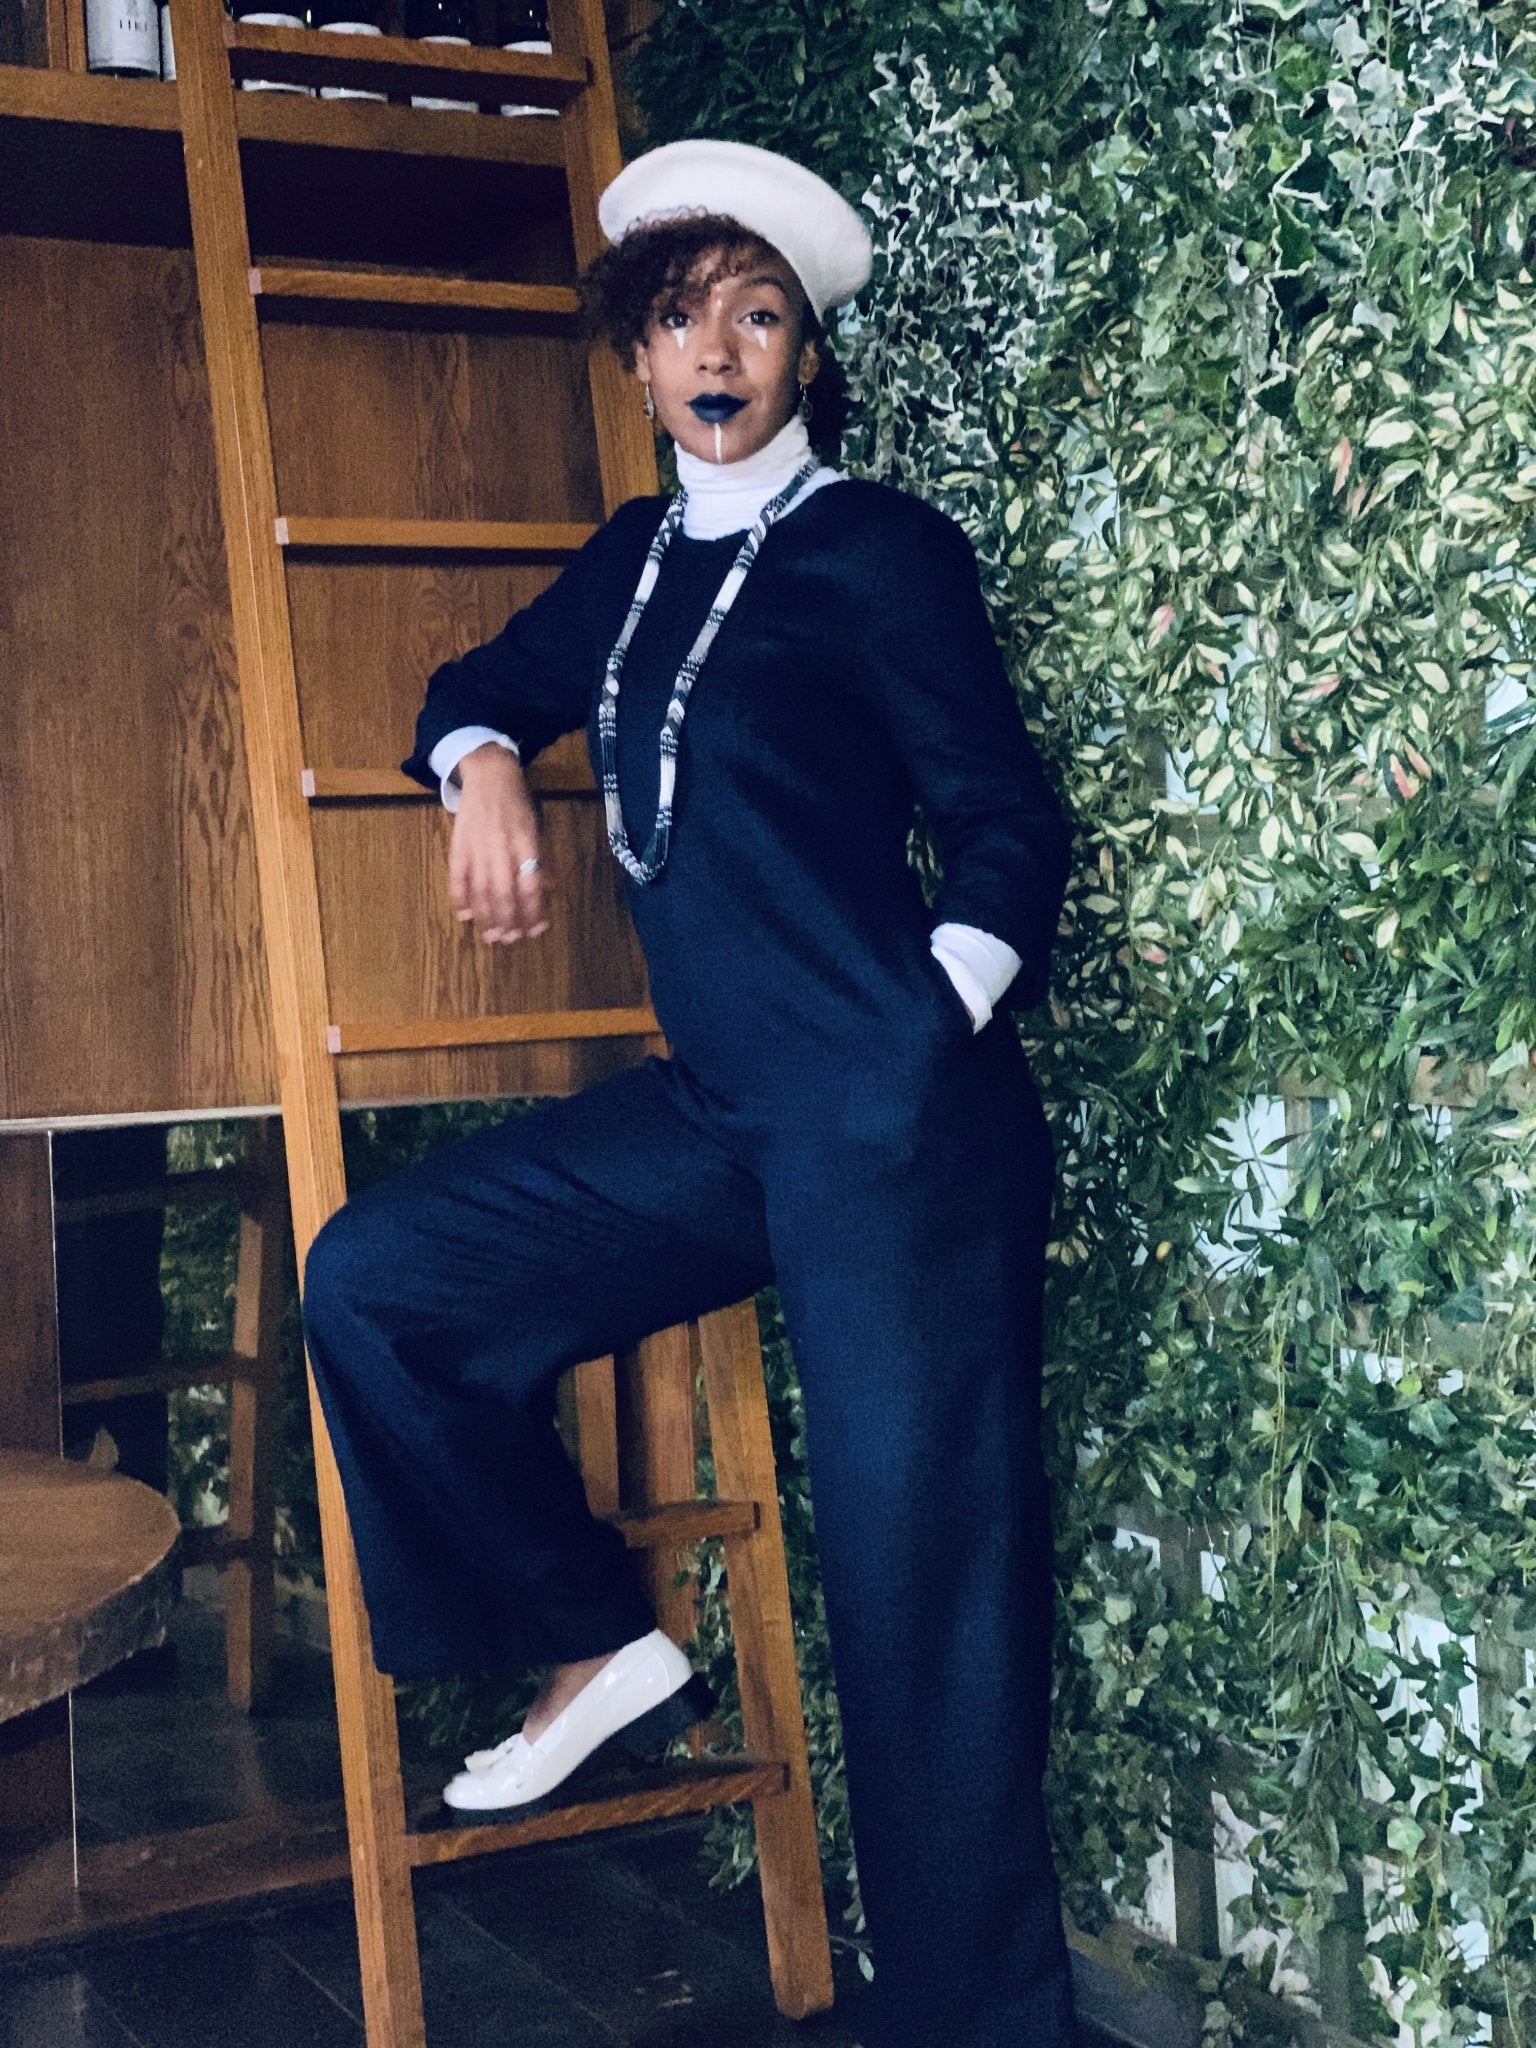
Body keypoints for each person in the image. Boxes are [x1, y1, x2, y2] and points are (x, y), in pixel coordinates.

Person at [302, 136, 1078, 2048]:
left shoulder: (881, 552)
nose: (717, 350)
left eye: (757, 316)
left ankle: (977, 2026)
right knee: (382, 1280)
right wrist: (487, 765)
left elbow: (1007, 825)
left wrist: (924, 1027)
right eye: (679, 318)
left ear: (806, 353)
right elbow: (474, 686)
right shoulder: (631, 563)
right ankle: (593, 1635)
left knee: (918, 1591)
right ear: (637, 358)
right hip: (723, 1119)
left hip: (898, 1131)